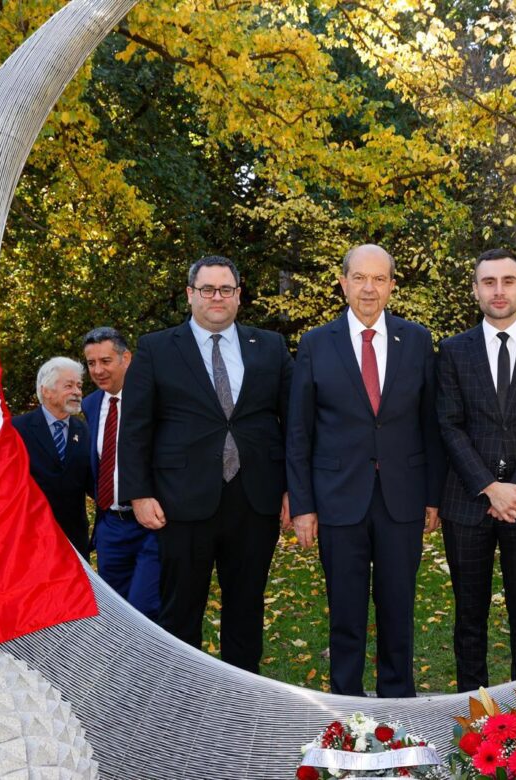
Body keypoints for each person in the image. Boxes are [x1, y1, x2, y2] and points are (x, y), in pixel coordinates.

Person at [287, 243, 446, 698]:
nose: (369, 288)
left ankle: (399, 702)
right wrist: (303, 506)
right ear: (343, 282)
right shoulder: (317, 343)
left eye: (379, 279)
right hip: (338, 499)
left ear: (393, 285)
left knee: (399, 609)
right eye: (359, 278)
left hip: (402, 498)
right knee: (346, 613)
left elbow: (429, 424)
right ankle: (345, 705)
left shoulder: (415, 340)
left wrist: (432, 496)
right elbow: (299, 431)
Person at [119, 256, 293, 673]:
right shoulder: (157, 348)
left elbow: (294, 423)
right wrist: (139, 493)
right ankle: (185, 702)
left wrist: (294, 489)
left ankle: (242, 704)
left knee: (247, 606)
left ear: (238, 294)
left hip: (255, 500)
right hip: (181, 502)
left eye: (226, 290)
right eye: (208, 289)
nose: (217, 297)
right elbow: (136, 426)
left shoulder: (269, 346)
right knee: (181, 610)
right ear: (190, 295)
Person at [435, 248, 516, 692]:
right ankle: (475, 714)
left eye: (508, 281)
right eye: (488, 282)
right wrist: (490, 487)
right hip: (468, 504)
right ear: (475, 290)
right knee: (469, 616)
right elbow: (448, 425)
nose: (498, 290)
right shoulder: (453, 351)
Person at [81, 326, 161, 621]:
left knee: (145, 608)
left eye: (106, 361)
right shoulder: (91, 405)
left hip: (152, 526)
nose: (98, 370)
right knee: (116, 615)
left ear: (126, 358)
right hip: (110, 528)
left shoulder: (157, 400)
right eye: (91, 363)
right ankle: (125, 667)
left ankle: (154, 667)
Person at [12, 357, 92, 557]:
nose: (77, 392)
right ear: (46, 390)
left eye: (79, 386)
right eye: (69, 385)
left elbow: (93, 482)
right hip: (29, 538)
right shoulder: (16, 429)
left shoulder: (85, 430)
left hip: (74, 540)